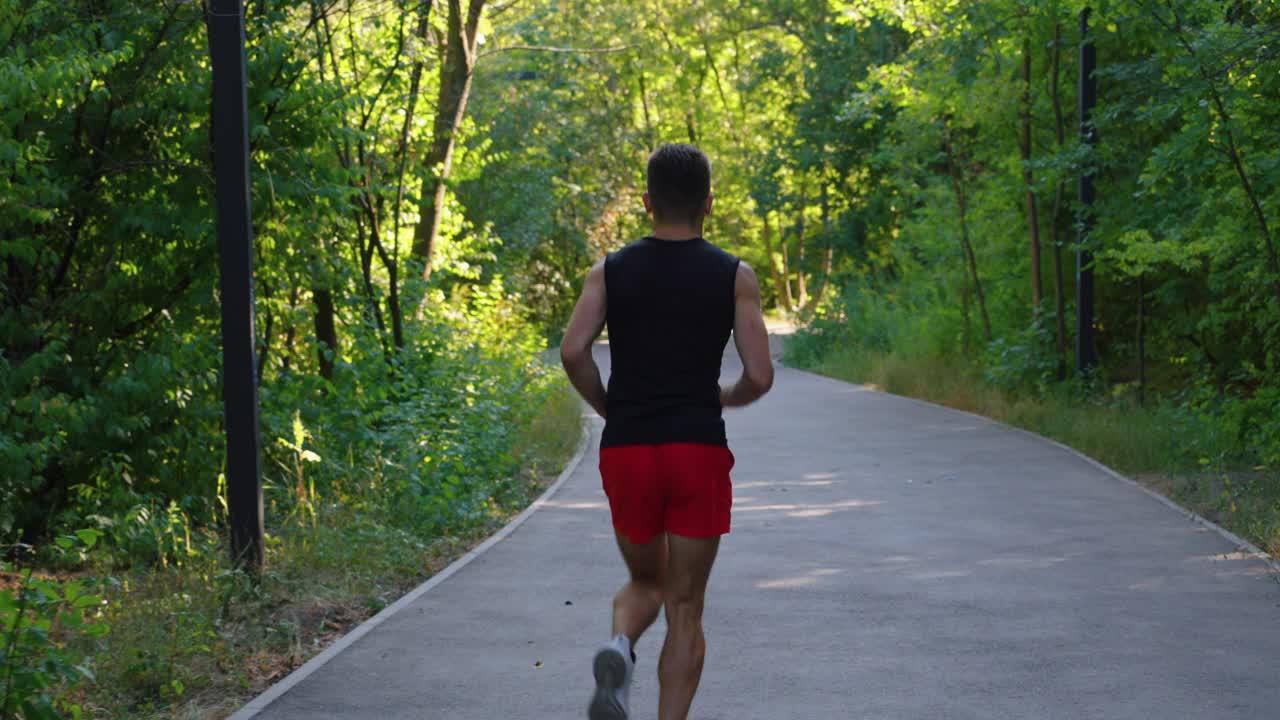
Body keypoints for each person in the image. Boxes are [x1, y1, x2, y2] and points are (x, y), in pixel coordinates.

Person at [559, 143, 775, 720]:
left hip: (627, 449)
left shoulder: (608, 270)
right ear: (708, 204)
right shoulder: (735, 276)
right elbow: (760, 374)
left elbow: (573, 350)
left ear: (648, 202)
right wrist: (725, 398)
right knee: (685, 605)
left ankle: (619, 647)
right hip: (697, 450)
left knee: (644, 582)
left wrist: (608, 407)